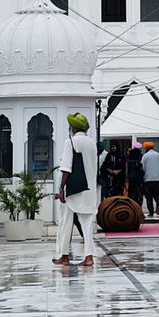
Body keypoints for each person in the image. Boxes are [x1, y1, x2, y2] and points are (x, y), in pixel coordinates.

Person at [53, 113, 98, 268]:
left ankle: (64, 255)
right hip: (89, 189)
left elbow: (66, 168)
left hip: (73, 190)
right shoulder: (92, 143)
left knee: (65, 222)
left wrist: (61, 189)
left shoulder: (70, 141)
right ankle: (89, 256)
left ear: (72, 128)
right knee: (87, 225)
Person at [141, 141, 159, 216]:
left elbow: (142, 167)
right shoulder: (158, 155)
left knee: (149, 196)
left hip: (148, 179)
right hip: (157, 178)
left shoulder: (145, 156)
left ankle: (151, 212)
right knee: (157, 194)